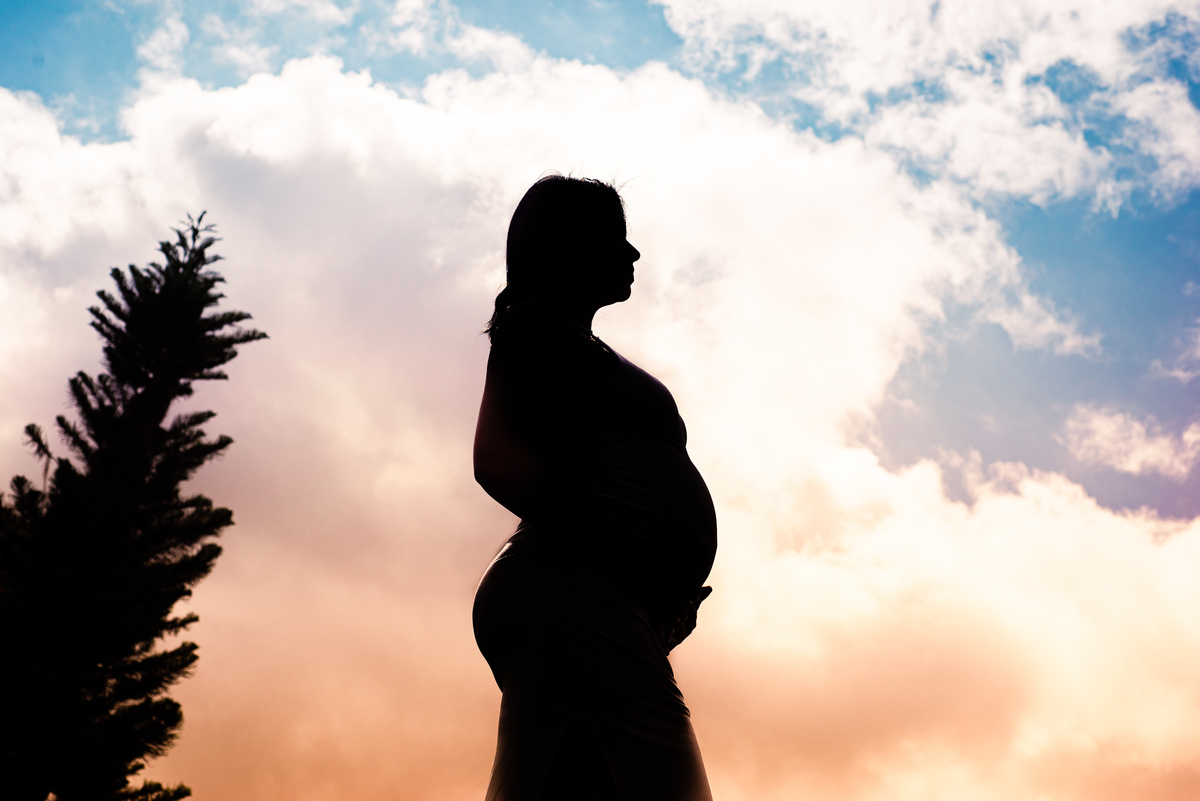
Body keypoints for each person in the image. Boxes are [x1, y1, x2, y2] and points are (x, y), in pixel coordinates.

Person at [472, 175, 717, 801]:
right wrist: (638, 564)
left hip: (590, 604)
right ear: (568, 247)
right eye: (615, 239)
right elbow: (496, 462)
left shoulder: (568, 340)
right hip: (577, 599)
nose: (633, 255)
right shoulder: (537, 328)